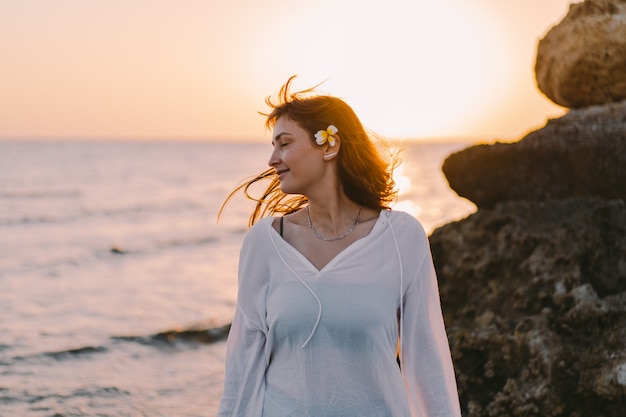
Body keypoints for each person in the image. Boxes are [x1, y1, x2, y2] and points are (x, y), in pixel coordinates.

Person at [217, 76, 462, 417]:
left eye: (284, 143)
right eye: (272, 146)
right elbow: (243, 362)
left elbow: (427, 359)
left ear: (329, 145)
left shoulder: (401, 237)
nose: (272, 160)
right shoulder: (264, 243)